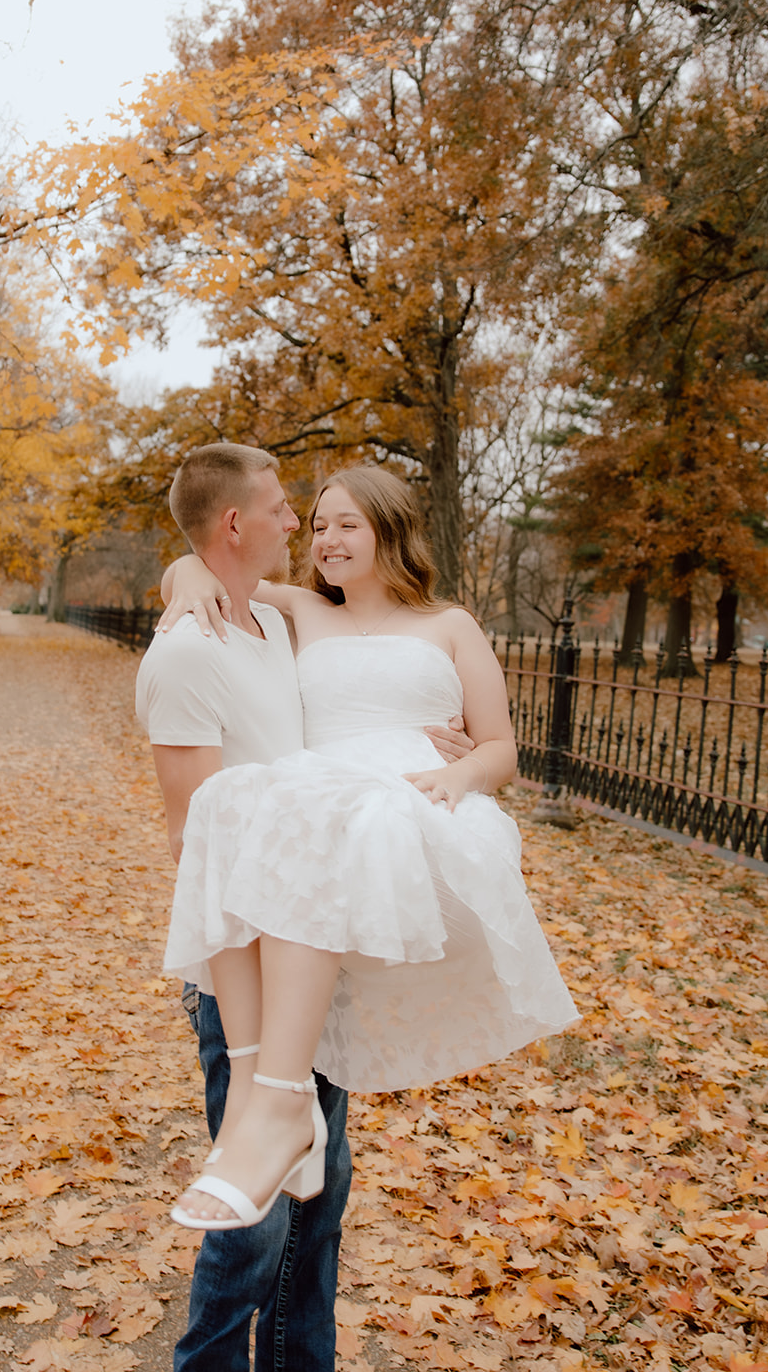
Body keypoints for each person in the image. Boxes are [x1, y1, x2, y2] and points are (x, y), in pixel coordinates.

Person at [159, 464, 578, 1233]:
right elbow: (215, 557)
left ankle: (279, 1108)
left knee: (334, 815)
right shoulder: (296, 612)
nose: (324, 538)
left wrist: (456, 775)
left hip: (410, 800)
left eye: (346, 523)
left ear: (388, 530)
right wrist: (184, 573)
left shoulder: (449, 624)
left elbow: (500, 749)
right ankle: (276, 1105)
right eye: (317, 525)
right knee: (226, 804)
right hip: (321, 801)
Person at [135, 443, 474, 1371]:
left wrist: (429, 741)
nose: (303, 527)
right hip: (243, 961)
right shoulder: (189, 648)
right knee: (251, 1209)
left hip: (322, 946)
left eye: (325, 518)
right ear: (239, 525)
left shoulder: (274, 627)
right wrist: (184, 578)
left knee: (319, 1203)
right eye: (291, 511)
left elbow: (368, 698)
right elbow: (191, 838)